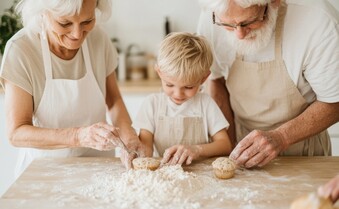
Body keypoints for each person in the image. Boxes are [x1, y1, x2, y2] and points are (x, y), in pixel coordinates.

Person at [0, 0, 143, 176]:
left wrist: (128, 135)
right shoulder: (21, 50)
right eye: (64, 23)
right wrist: (79, 136)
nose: (77, 34)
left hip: (99, 169)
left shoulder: (98, 39)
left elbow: (114, 101)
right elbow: (17, 132)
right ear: (43, 12)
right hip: (44, 172)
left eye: (87, 21)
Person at [197, 0, 339, 168]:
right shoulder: (213, 13)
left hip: (303, 151)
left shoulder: (317, 20)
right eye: (229, 25)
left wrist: (282, 137)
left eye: (249, 21)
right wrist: (228, 147)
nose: (239, 34)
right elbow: (216, 80)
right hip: (240, 142)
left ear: (274, 2)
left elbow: (334, 101)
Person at [132, 32, 232, 166]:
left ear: (203, 78)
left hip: (201, 174)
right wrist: (134, 151)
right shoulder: (152, 104)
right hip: (163, 175)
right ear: (159, 72)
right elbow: (146, 148)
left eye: (188, 87)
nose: (178, 94)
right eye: (169, 84)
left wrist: (197, 149)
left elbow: (225, 145)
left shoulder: (205, 104)